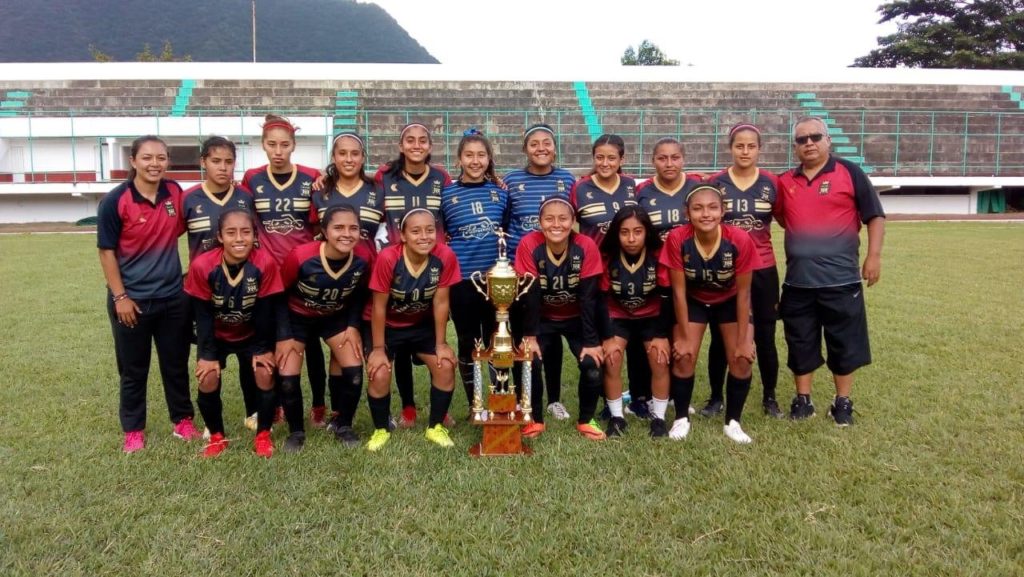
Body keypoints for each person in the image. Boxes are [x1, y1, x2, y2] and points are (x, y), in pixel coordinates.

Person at [776, 116, 885, 426]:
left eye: (815, 137)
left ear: (828, 140)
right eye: (801, 139)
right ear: (794, 146)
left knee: (844, 342)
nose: (808, 143)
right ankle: (803, 399)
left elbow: (875, 216)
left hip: (842, 279)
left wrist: (874, 256)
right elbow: (785, 219)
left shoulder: (849, 172)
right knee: (800, 341)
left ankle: (842, 402)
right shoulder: (786, 181)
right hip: (798, 282)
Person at [97, 135, 199, 452]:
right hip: (131, 302)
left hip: (172, 299)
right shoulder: (116, 201)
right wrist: (120, 298)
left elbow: (184, 227)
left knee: (175, 364)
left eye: (161, 157)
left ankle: (182, 421)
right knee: (133, 368)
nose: (155, 164)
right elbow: (106, 252)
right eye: (147, 157)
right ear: (133, 161)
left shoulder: (174, 193)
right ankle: (133, 431)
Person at [241, 115, 331, 428]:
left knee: (314, 346)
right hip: (269, 279)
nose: (278, 150)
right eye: (271, 144)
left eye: (284, 144)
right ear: (263, 145)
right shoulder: (252, 179)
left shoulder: (311, 177)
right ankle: (275, 405)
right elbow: (245, 220)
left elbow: (320, 223)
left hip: (306, 277)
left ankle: (319, 406)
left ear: (293, 145)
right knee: (276, 341)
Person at [660, 184, 761, 444]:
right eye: (698, 208)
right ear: (687, 213)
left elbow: (744, 294)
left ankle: (733, 422)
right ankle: (681, 417)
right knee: (683, 355)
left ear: (723, 211)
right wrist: (681, 336)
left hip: (729, 301)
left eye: (712, 207)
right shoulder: (677, 238)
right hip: (693, 301)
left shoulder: (738, 238)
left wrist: (742, 340)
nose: (706, 214)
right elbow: (679, 293)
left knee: (742, 357)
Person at [184, 209, 282, 458]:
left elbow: (265, 311)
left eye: (246, 232)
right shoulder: (203, 265)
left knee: (264, 372)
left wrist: (262, 349)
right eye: (231, 232)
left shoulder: (264, 263)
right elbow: (202, 315)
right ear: (220, 236)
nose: (239, 238)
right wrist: (206, 354)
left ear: (255, 235)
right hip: (216, 335)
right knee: (207, 377)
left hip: (251, 334)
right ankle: (217, 437)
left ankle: (263, 435)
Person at [703, 123, 785, 419]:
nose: (745, 151)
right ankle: (715, 398)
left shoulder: (772, 183)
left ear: (759, 149)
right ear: (731, 148)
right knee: (720, 335)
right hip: (724, 270)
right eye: (740, 146)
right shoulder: (716, 182)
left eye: (751, 146)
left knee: (765, 335)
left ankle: (770, 397)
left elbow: (786, 220)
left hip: (763, 269)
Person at [374, 122, 452, 429]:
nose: (416, 145)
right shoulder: (384, 176)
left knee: (425, 332)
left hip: (432, 266)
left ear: (430, 147)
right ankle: (407, 406)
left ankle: (439, 410)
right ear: (401, 145)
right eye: (410, 140)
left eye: (423, 140)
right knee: (399, 344)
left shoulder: (441, 177)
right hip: (396, 263)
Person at [277, 205, 374, 450]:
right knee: (288, 379)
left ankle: (344, 425)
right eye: (338, 227)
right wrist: (284, 334)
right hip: (297, 317)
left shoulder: (363, 258)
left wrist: (353, 325)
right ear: (324, 231)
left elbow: (359, 294)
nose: (346, 233)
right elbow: (278, 295)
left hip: (335, 317)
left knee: (353, 372)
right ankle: (296, 432)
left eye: (353, 228)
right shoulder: (301, 256)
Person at [363, 208, 460, 451]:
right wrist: (377, 349)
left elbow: (440, 302)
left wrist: (441, 344)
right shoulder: (388, 258)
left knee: (445, 365)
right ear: (403, 236)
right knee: (380, 371)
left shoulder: (445, 256)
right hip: (387, 327)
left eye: (430, 230)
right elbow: (378, 307)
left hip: (420, 325)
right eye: (415, 231)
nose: (424, 236)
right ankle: (381, 429)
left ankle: (435, 427)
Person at [182, 136, 262, 431]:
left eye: (229, 162)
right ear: (203, 162)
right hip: (205, 292)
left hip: (243, 289)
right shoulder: (189, 198)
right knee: (209, 356)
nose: (223, 168)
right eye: (216, 161)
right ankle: (210, 422)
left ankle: (253, 411)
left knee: (248, 359)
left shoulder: (245, 197)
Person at [570, 134, 651, 419]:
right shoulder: (579, 188)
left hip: (634, 274)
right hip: (595, 275)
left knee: (640, 339)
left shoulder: (634, 187)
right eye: (599, 157)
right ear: (593, 158)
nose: (605, 163)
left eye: (611, 158)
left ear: (622, 160)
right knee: (607, 337)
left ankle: (642, 398)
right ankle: (610, 401)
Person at [515, 197, 605, 441]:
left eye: (563, 218)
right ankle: (535, 419)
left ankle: (586, 420)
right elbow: (530, 294)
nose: (556, 224)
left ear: (573, 222)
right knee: (529, 360)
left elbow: (589, 297)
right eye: (549, 219)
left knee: (592, 365)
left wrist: (591, 341)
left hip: (576, 318)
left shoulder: (585, 245)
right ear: (540, 222)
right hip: (542, 319)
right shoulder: (528, 244)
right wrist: (530, 336)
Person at [504, 123, 577, 422]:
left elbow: (573, 222)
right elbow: (505, 222)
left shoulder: (567, 180)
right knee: (525, 336)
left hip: (557, 268)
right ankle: (525, 397)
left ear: (555, 146)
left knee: (553, 338)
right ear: (525, 149)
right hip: (521, 271)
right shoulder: (510, 181)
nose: (541, 148)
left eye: (547, 142)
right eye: (534, 144)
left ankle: (555, 400)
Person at [440, 129, 509, 409]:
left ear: (489, 159)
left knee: (497, 339)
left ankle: (499, 399)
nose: (475, 160)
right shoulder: (447, 195)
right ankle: (475, 403)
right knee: (469, 341)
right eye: (469, 155)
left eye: (481, 155)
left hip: (495, 281)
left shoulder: (501, 194)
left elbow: (505, 230)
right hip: (463, 281)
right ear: (459, 160)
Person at [598, 205, 673, 438]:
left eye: (637, 231)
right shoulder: (607, 255)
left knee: (659, 359)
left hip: (651, 317)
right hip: (618, 316)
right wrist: (608, 337)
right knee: (612, 359)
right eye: (624, 232)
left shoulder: (658, 254)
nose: (631, 238)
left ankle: (659, 418)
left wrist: (661, 336)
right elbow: (600, 299)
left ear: (647, 232)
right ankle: (617, 417)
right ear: (616, 233)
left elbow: (667, 297)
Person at [310, 132, 383, 258]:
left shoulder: (379, 191)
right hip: (329, 272)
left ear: (363, 157)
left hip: (368, 271)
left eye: (355, 154)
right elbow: (312, 234)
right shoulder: (319, 192)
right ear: (333, 157)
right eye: (342, 153)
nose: (349, 159)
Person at [635, 137, 702, 240]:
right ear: (653, 161)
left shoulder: (698, 185)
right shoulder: (641, 190)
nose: (669, 164)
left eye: (675, 158)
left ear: (683, 159)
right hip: (657, 254)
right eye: (662, 158)